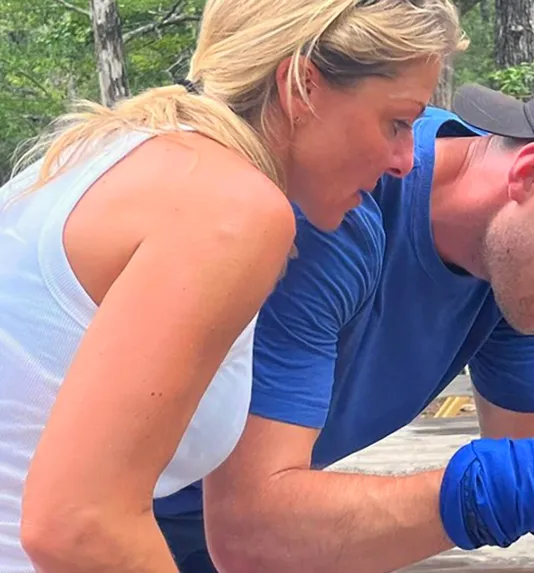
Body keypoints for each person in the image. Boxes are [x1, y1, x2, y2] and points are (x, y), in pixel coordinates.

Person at [152, 65, 534, 572]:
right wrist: (523, 485)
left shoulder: (516, 272)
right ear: (531, 173)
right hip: (119, 525)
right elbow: (249, 531)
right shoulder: (343, 205)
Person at [0, 1, 465, 571]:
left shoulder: (120, 152)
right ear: (303, 86)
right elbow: (79, 524)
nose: (404, 161)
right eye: (397, 122)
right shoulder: (233, 209)